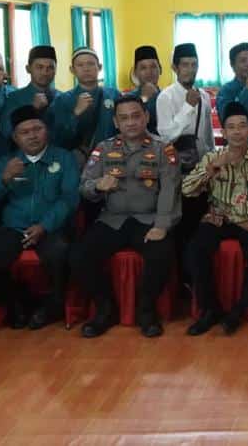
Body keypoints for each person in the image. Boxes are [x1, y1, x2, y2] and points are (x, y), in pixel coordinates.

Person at [71, 96, 181, 339]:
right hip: (112, 220)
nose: (131, 122)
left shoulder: (163, 149)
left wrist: (162, 225)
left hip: (149, 220)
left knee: (161, 253)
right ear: (116, 122)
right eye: (124, 118)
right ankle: (105, 309)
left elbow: (170, 190)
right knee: (80, 256)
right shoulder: (104, 148)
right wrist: (97, 186)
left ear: (146, 117)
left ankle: (146, 311)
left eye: (136, 116)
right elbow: (84, 185)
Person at [181, 102, 248, 336]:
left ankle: (238, 311)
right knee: (194, 250)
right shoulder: (212, 157)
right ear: (223, 132)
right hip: (219, 220)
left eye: (242, 126)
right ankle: (210, 309)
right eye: (231, 127)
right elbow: (186, 190)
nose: (237, 132)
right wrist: (210, 171)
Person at [0, 105, 79, 330]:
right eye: (25, 132)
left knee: (59, 253)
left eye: (37, 129)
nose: (32, 135)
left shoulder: (64, 158)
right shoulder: (6, 162)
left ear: (46, 130)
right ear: (15, 137)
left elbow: (69, 199)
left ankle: (53, 306)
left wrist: (44, 225)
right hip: (15, 228)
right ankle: (18, 302)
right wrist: (4, 180)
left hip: (52, 227)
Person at [156, 43, 216, 251]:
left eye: (194, 64)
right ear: (175, 68)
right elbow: (166, 136)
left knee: (199, 219)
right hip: (176, 169)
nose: (190, 69)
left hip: (201, 168)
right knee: (180, 221)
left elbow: (207, 134)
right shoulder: (166, 97)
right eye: (185, 65)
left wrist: (212, 160)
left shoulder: (204, 96)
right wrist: (187, 107)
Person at [50, 47, 120, 165]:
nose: (86, 69)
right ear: (72, 70)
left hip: (111, 157)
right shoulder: (62, 100)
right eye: (80, 65)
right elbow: (57, 138)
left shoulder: (113, 95)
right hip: (77, 161)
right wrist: (75, 113)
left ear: (99, 67)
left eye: (91, 64)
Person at [1, 45, 59, 139]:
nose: (45, 72)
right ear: (28, 69)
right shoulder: (14, 98)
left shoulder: (62, 98)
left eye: (50, 68)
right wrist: (32, 110)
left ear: (55, 70)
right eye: (39, 67)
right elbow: (6, 131)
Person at [127, 45, 162, 134]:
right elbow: (130, 126)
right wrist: (144, 98)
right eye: (143, 68)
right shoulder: (128, 99)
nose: (149, 72)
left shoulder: (168, 96)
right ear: (135, 72)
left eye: (153, 66)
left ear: (160, 69)